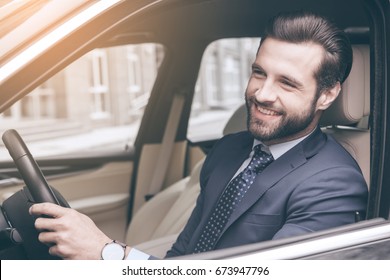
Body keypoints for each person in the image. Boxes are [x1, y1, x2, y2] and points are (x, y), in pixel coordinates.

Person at [29, 11, 368, 260]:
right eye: (258, 73)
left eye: (287, 83)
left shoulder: (334, 183)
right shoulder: (229, 150)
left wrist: (108, 254)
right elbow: (184, 256)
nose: (262, 94)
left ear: (327, 95)